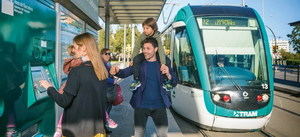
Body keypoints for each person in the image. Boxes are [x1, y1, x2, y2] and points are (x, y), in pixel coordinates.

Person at [39, 32, 108, 137]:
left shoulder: (77, 71)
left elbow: (64, 101)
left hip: (76, 130)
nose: (73, 50)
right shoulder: (101, 70)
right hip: (96, 129)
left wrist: (49, 87)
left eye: (75, 47)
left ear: (84, 48)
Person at [110, 37, 177, 137]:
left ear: (156, 49)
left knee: (162, 135)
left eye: (148, 48)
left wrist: (168, 74)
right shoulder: (139, 64)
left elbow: (174, 82)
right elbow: (125, 73)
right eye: (143, 48)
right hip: (141, 105)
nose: (145, 51)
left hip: (160, 106)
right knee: (138, 135)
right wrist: (117, 71)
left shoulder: (163, 64)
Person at [130, 17, 170, 91]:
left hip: (156, 53)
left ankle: (165, 81)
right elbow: (137, 47)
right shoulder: (142, 36)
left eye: (147, 28)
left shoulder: (157, 35)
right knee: (136, 59)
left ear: (153, 28)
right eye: (144, 28)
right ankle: (136, 80)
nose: (145, 30)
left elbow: (160, 49)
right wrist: (132, 59)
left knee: (167, 61)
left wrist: (163, 63)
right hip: (146, 53)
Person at [100, 48, 118, 129]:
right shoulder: (100, 64)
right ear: (101, 55)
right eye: (106, 53)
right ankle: (102, 128)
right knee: (103, 111)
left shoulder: (108, 64)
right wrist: (113, 81)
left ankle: (104, 128)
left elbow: (109, 75)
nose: (108, 55)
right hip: (103, 91)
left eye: (109, 53)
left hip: (109, 91)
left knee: (108, 109)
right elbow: (102, 77)